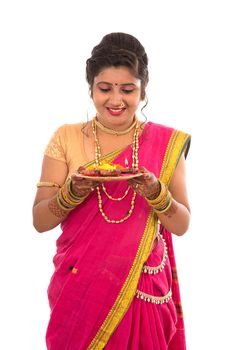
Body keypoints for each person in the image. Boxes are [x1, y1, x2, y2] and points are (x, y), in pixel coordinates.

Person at [33, 32, 191, 350]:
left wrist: (155, 190)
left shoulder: (166, 143)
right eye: (105, 89)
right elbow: (39, 221)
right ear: (91, 88)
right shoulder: (65, 138)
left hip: (142, 287)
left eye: (128, 90)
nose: (116, 100)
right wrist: (71, 193)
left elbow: (182, 224)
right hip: (80, 286)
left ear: (143, 90)